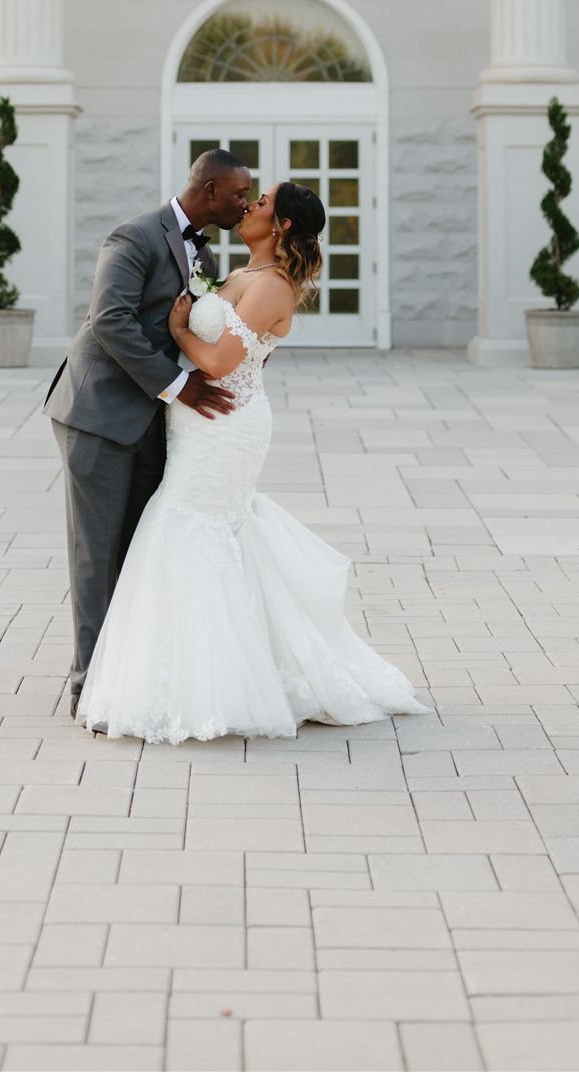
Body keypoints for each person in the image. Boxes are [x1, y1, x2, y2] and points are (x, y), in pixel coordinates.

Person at [75, 180, 428, 743]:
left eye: (262, 202)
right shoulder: (234, 274)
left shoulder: (273, 286)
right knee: (201, 531)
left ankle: (209, 685)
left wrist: (178, 330)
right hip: (197, 423)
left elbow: (217, 363)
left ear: (282, 225)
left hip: (223, 423)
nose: (250, 206)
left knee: (188, 527)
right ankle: (194, 671)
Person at [46, 149, 253, 716]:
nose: (246, 203)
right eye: (239, 194)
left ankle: (127, 680)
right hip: (100, 415)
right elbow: (109, 320)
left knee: (139, 555)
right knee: (97, 555)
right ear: (209, 190)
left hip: (152, 422)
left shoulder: (203, 249)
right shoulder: (133, 237)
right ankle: (87, 688)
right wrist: (177, 387)